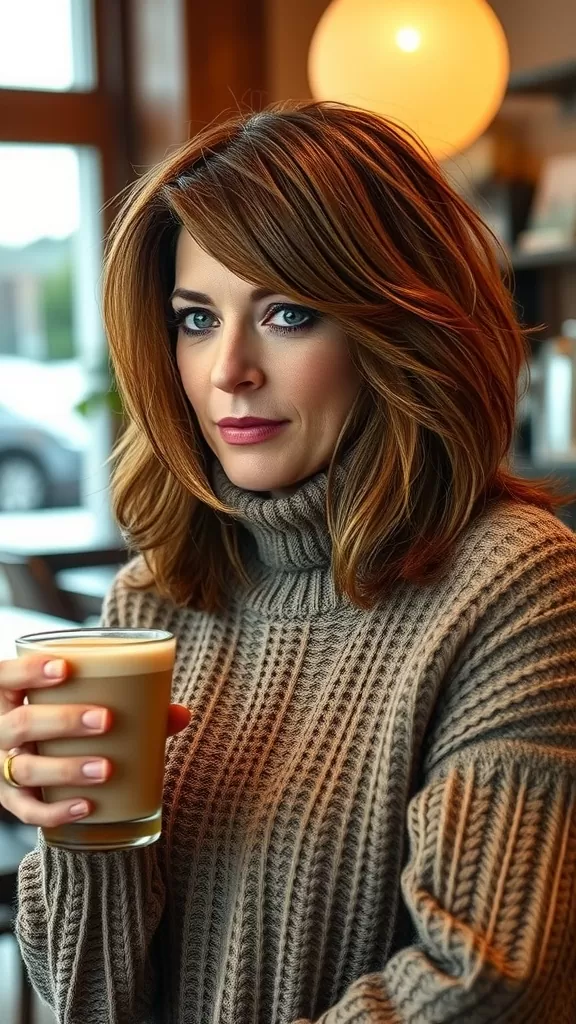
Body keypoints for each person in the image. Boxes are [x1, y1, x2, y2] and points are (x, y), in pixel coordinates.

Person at [2, 100, 576, 1023]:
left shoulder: (514, 586)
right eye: (195, 318)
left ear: (399, 330)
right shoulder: (156, 598)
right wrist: (79, 832)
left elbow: (485, 983)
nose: (228, 368)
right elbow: (89, 999)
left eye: (287, 312)